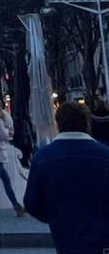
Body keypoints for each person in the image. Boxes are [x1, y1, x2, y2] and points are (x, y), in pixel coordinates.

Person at [24, 100, 109, 253]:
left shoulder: (43, 157)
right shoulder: (104, 155)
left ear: (58, 123)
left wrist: (56, 216)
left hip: (66, 238)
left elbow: (32, 203)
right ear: (87, 123)